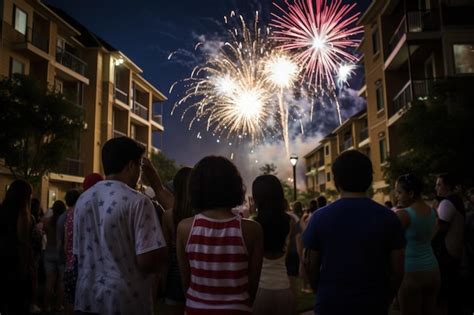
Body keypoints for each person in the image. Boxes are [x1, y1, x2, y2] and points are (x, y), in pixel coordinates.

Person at [303, 150, 405, 315]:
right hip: (373, 304)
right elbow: (398, 269)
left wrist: (320, 292)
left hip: (331, 303)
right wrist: (387, 297)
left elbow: (309, 265)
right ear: (370, 179)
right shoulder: (389, 217)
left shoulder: (319, 218)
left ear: (336, 181)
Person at [73, 137, 168, 314]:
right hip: (124, 301)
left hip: (86, 297)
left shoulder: (83, 200)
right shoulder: (138, 202)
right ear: (131, 166)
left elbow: (78, 253)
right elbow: (147, 261)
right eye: (140, 166)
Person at [176, 156, 263, 315]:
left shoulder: (185, 228)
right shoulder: (252, 230)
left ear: (196, 188)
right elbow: (253, 284)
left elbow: (186, 281)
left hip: (196, 309)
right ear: (235, 186)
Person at [394, 174, 440, 315]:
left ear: (411, 193)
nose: (397, 196)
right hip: (433, 270)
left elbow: (390, 243)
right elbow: (432, 236)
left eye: (400, 192)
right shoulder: (432, 212)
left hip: (411, 272)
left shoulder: (404, 215)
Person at [252, 175, 297, 315]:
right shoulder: (291, 221)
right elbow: (289, 252)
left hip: (260, 290)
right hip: (284, 287)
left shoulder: (252, 225)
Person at [161, 167, 193, 315]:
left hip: (174, 277)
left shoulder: (168, 216)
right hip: (198, 274)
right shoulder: (200, 216)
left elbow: (165, 256)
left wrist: (161, 284)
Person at [433, 173, 465, 315]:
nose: (436, 187)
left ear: (448, 186)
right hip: (455, 250)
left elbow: (440, 228)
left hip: (447, 251)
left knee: (447, 291)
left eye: (439, 184)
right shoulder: (456, 200)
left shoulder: (448, 202)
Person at [0, 179, 34, 314]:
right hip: (17, 264)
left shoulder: (2, 211)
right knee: (17, 303)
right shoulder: (24, 216)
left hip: (3, 260)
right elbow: (24, 242)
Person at [43, 200, 66, 312]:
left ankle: (46, 306)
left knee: (49, 281)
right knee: (61, 281)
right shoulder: (64, 222)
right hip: (61, 253)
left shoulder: (46, 221)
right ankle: (58, 306)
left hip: (48, 251)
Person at [60, 189, 81, 315]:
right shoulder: (80, 213)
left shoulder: (67, 216)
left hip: (69, 264)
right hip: (79, 265)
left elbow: (65, 244)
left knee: (69, 301)